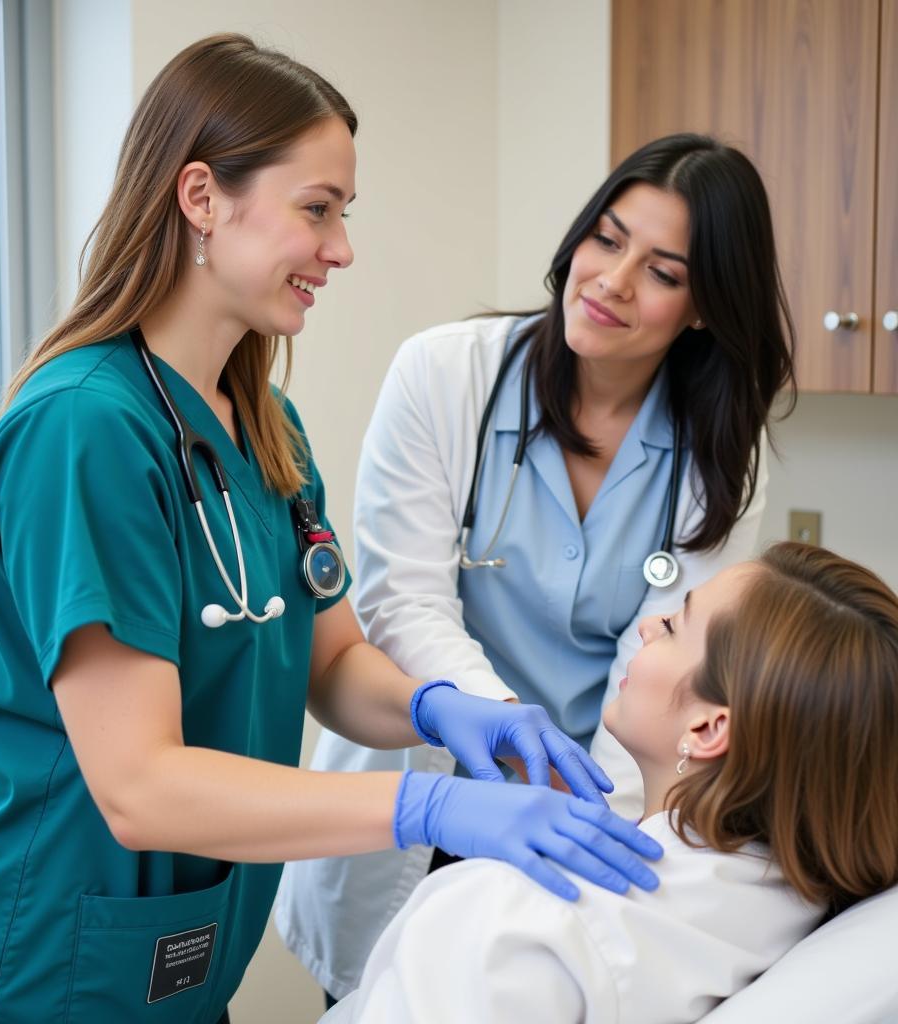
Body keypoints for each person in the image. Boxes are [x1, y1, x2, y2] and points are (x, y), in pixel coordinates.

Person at [0, 34, 668, 1023]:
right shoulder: (86, 427)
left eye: (342, 215)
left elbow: (330, 656)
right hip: (41, 959)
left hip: (178, 962)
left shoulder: (263, 422)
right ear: (201, 197)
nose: (340, 249)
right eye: (318, 210)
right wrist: (424, 805)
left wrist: (440, 710)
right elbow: (139, 785)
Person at [277, 132, 798, 1005]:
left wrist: (579, 804)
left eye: (664, 272)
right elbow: (402, 601)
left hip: (594, 798)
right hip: (429, 774)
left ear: (705, 307)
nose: (612, 281)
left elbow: (680, 663)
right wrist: (510, 729)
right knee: (394, 992)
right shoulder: (447, 375)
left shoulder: (721, 456)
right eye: (607, 237)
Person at [321, 542, 898, 1023]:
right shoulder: (799, 899)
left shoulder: (513, 914)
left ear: (708, 726)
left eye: (673, 625)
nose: (647, 624)